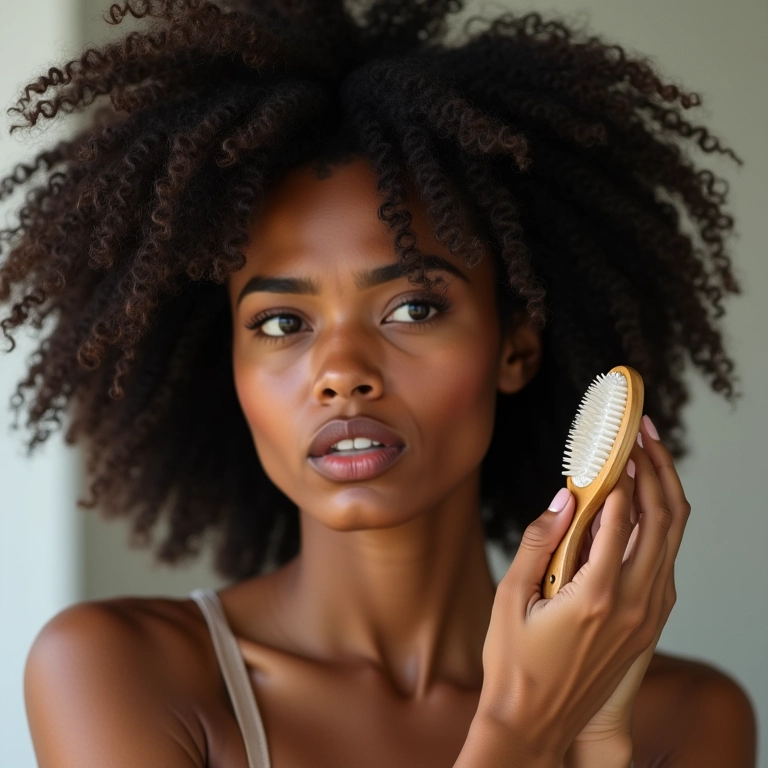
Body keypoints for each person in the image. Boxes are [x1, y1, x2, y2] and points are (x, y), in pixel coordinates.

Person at [1, 0, 756, 765]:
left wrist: (596, 742)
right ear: (223, 361)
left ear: (515, 348)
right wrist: (523, 730)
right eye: (280, 323)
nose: (341, 375)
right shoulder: (121, 672)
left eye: (413, 307)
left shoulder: (687, 720)